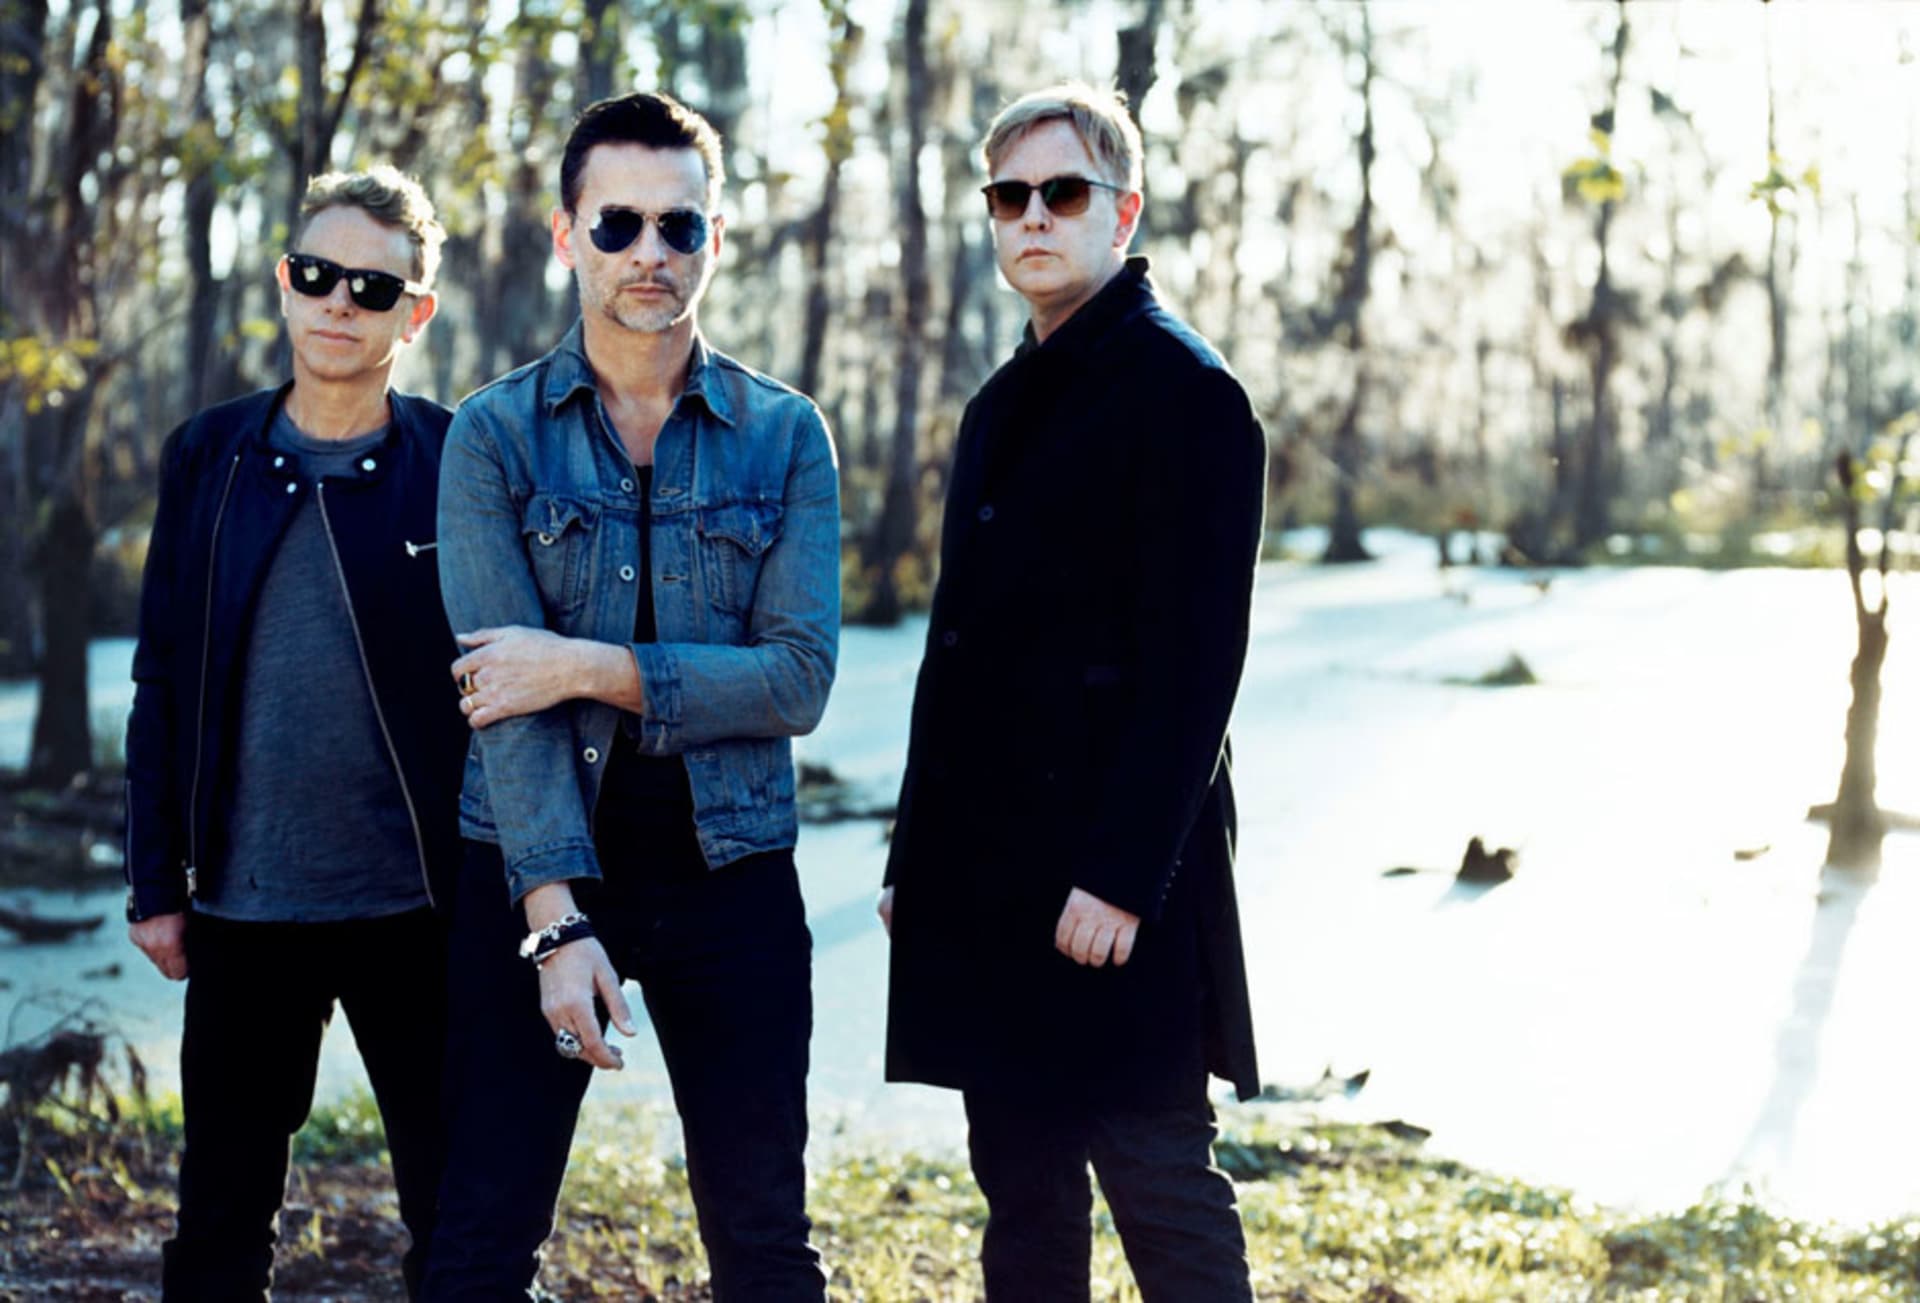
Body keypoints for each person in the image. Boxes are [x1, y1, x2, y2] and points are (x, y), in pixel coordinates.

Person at [422, 91, 839, 1300]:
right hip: (535, 860)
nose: (649, 252)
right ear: (568, 236)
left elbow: (798, 679)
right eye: (617, 225)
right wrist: (554, 921)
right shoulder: (493, 436)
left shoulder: (786, 435)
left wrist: (581, 664)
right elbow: (502, 701)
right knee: (480, 1240)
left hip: (733, 865)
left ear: (717, 238)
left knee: (764, 1242)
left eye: (679, 225)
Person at [877, 82, 1267, 1302]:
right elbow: (955, 656)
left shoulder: (1186, 393)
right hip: (987, 874)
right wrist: (913, 853)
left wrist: (1120, 877)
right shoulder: (999, 405)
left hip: (1114, 881)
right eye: (1010, 195)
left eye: (1063, 191)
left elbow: (1196, 670)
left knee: (1159, 1181)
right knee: (1023, 1193)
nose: (1033, 216)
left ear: (1123, 211)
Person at [123, 165, 464, 1299]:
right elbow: (162, 675)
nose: (338, 303)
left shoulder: (457, 460)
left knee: (461, 1222)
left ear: (416, 312)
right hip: (244, 907)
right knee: (219, 1226)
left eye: (374, 287)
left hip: (420, 911)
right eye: (317, 275)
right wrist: (154, 880)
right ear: (283, 280)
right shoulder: (207, 454)